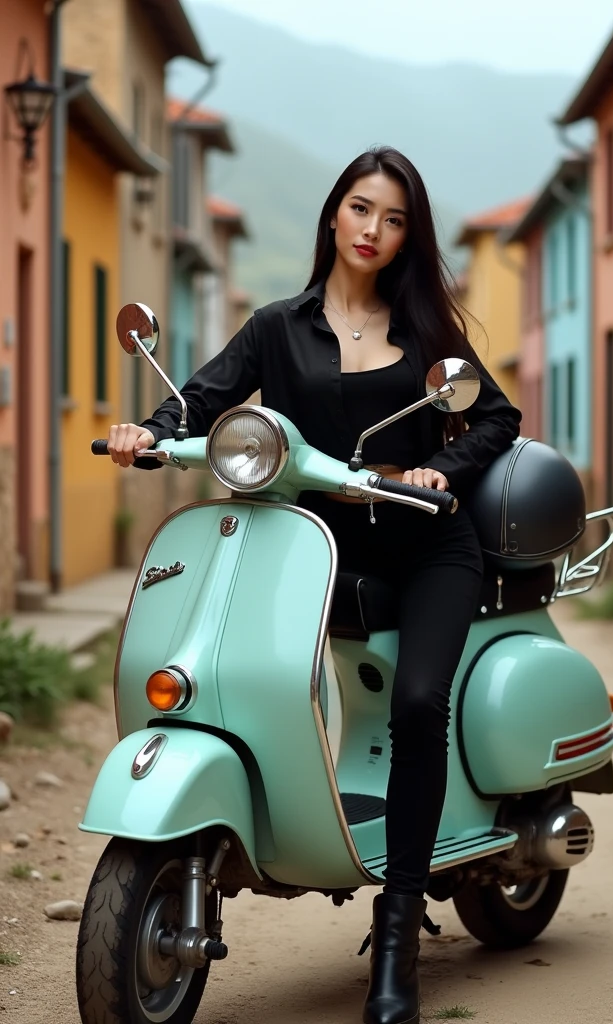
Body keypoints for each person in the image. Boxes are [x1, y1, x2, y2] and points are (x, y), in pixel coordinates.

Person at [108, 146, 521, 1024]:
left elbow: (495, 417)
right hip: (312, 548)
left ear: (410, 236)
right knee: (232, 669)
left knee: (416, 703)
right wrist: (145, 433)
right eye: (363, 209)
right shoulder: (276, 327)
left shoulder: (428, 333)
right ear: (334, 213)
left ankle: (400, 929)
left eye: (396, 218)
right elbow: (200, 399)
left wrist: (440, 470)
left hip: (424, 546)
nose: (375, 230)